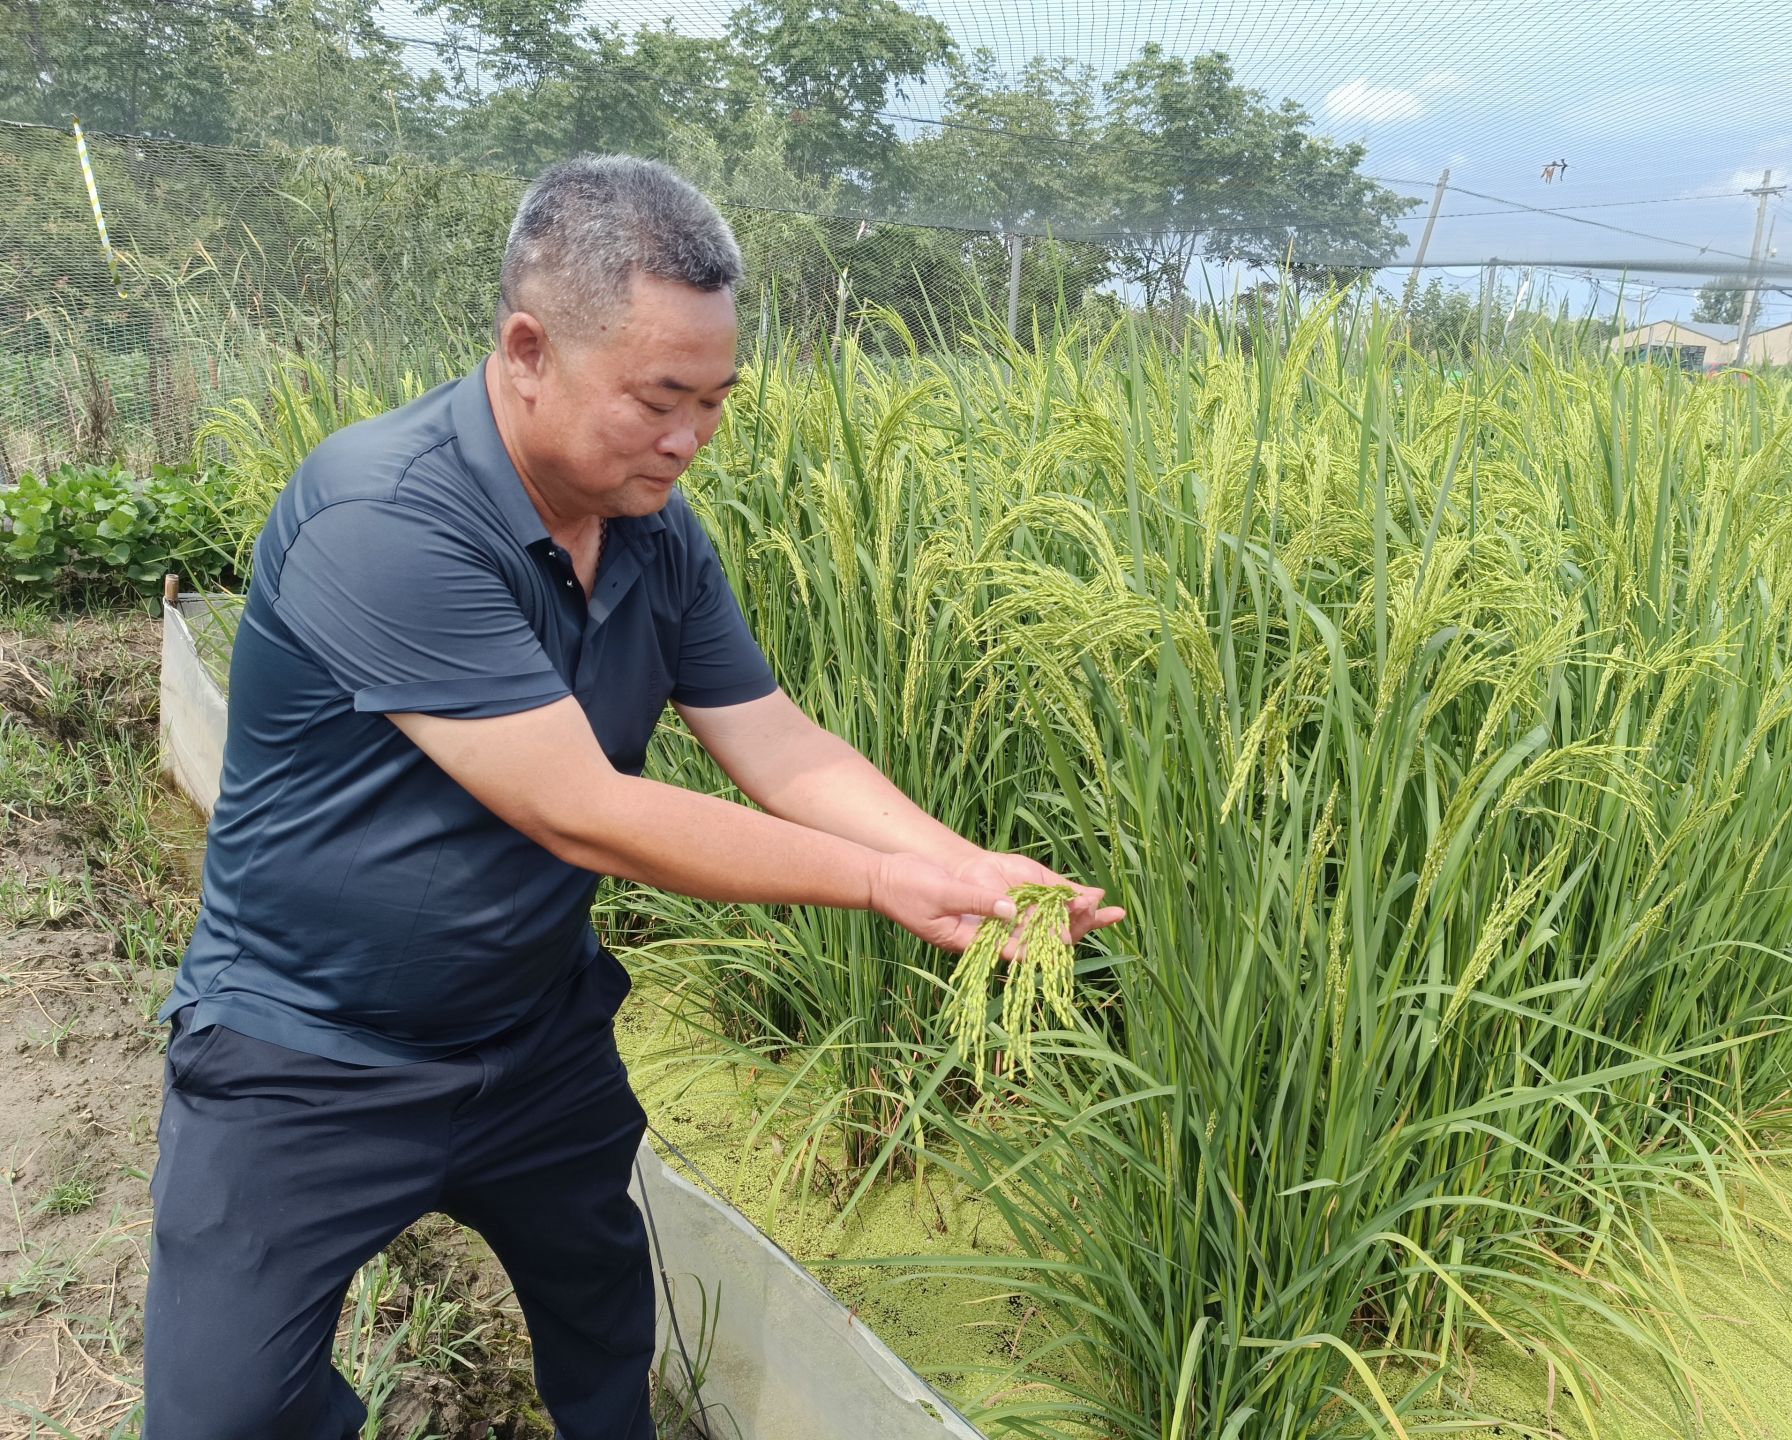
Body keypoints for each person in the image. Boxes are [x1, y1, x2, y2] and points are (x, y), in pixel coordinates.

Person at [141, 155, 1123, 1439]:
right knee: (220, 1417)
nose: (691, 438)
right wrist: (886, 883)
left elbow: (772, 737)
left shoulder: (654, 527)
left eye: (717, 401)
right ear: (529, 348)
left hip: (536, 1038)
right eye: (662, 398)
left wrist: (972, 866)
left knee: (606, 1328)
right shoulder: (384, 516)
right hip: (311, 1051)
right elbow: (582, 808)